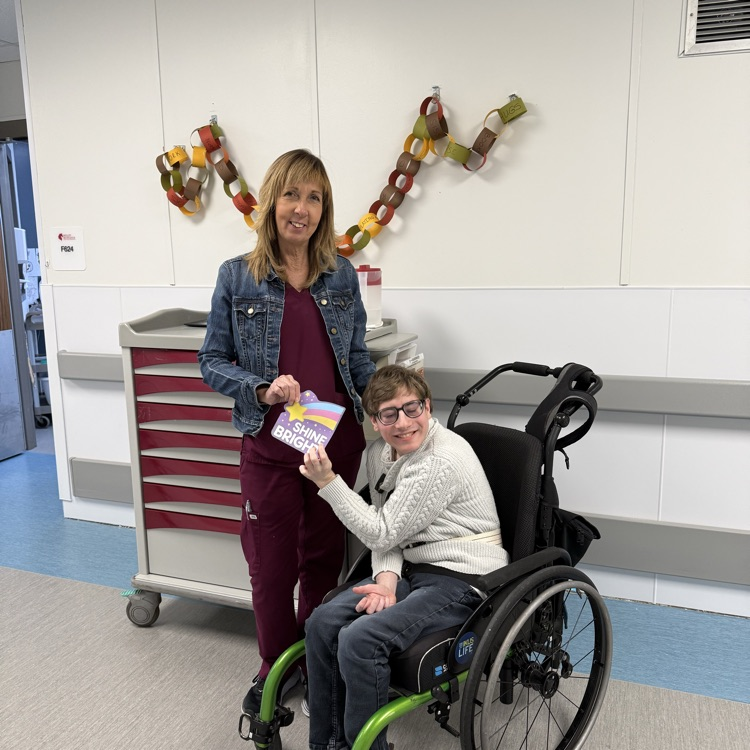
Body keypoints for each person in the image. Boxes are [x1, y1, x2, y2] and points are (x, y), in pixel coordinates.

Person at [198, 149, 376, 716]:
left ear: (325, 209)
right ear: (272, 201)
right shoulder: (237, 276)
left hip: (333, 448)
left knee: (323, 563)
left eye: (315, 198)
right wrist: (260, 388)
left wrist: (387, 401)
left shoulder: (341, 274)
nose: (301, 209)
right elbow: (211, 361)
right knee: (270, 569)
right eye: (291, 195)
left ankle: (314, 658)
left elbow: (355, 358)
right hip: (271, 448)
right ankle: (275, 669)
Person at [300, 365, 509, 750]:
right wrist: (386, 580)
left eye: (412, 408)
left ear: (428, 407)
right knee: (324, 621)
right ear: (374, 421)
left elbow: (380, 530)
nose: (403, 422)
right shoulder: (379, 454)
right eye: (389, 413)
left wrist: (328, 483)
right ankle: (330, 745)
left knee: (361, 640)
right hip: (414, 564)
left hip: (461, 575)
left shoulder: (439, 461)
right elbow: (386, 531)